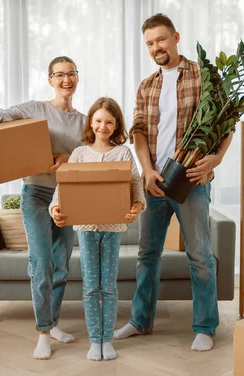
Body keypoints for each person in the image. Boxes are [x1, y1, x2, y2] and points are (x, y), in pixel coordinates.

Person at [113, 14, 234, 351]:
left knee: (199, 255)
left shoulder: (205, 77)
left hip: (191, 180)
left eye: (161, 40)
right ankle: (140, 321)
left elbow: (228, 123)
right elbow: (138, 131)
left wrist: (217, 158)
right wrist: (146, 170)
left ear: (176, 37)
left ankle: (205, 327)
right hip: (154, 182)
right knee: (146, 254)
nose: (156, 48)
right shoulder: (147, 85)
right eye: (150, 43)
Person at [0, 56, 86, 360]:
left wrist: (67, 160)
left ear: (77, 77)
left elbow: (89, 157)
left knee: (61, 264)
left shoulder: (84, 122)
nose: (66, 80)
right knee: (42, 261)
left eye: (71, 74)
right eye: (60, 75)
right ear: (50, 80)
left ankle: (53, 322)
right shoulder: (35, 109)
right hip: (35, 194)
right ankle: (43, 333)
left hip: (67, 196)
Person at [49, 97, 146, 361]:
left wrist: (137, 205)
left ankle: (107, 340)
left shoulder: (123, 153)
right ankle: (95, 340)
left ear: (117, 125)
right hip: (86, 228)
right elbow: (63, 188)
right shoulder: (80, 153)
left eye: (109, 122)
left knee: (109, 286)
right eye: (99, 120)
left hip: (114, 227)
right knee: (91, 286)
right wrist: (55, 208)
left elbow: (135, 183)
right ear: (91, 121)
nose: (103, 126)